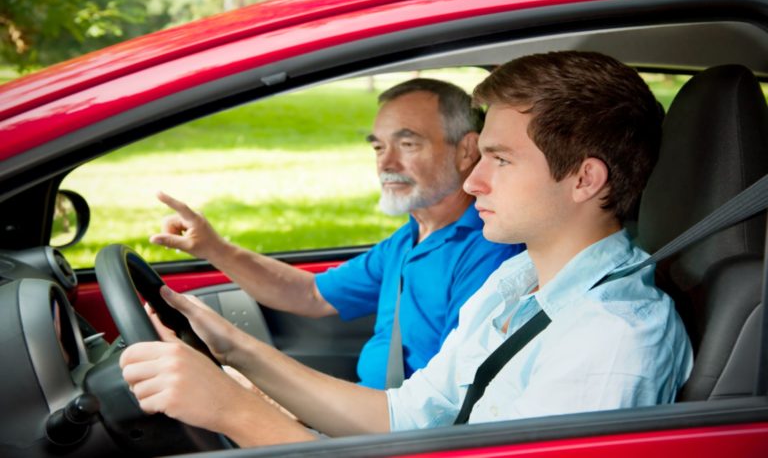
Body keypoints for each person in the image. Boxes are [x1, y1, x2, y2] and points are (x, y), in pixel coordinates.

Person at [121, 51, 693, 447]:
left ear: (584, 180)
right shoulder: (517, 284)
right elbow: (405, 416)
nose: (474, 182)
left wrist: (232, 410)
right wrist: (233, 349)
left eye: (501, 159)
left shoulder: (611, 339)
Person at [149, 78, 523, 389]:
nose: (386, 163)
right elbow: (310, 294)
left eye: (407, 144)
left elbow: (445, 402)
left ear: (466, 150)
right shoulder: (410, 237)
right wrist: (214, 248)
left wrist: (256, 386)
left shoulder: (489, 249)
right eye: (379, 146)